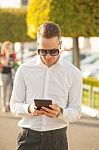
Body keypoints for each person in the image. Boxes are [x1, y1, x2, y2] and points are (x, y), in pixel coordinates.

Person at [10, 21, 82, 150]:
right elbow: (14, 106)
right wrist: (29, 108)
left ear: (60, 44)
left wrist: (60, 112)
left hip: (57, 139)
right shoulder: (24, 70)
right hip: (28, 137)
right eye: (43, 51)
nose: (48, 57)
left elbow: (76, 112)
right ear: (38, 44)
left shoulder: (73, 73)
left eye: (53, 51)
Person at [1, 41, 16, 112]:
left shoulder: (12, 54)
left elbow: (14, 64)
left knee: (10, 90)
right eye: (8, 46)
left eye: (10, 46)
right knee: (4, 90)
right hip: (4, 74)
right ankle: (4, 105)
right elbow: (5, 64)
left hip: (11, 74)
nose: (9, 48)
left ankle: (8, 104)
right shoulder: (2, 54)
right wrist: (7, 55)